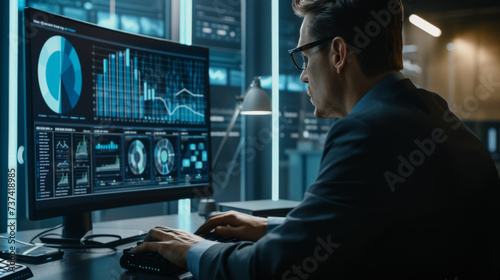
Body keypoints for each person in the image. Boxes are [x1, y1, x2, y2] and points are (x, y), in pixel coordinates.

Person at [132, 0, 500, 279]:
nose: (304, 75)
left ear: (339, 53)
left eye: (304, 57)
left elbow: (272, 269)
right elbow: (381, 224)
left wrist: (197, 250)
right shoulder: (432, 113)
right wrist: (275, 228)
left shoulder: (369, 131)